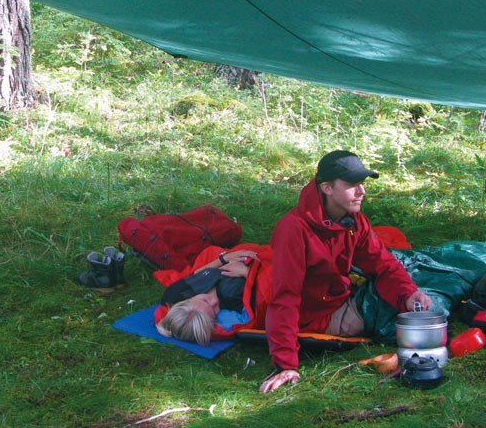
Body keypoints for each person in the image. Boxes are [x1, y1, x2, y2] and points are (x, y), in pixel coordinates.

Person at [259, 150, 432, 394]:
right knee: (389, 309)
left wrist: (408, 294)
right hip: (319, 317)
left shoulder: (354, 221)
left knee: (415, 285)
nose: (361, 191)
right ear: (327, 188)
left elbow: (382, 264)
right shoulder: (294, 229)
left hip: (340, 298)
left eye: (362, 183)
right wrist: (286, 364)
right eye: (352, 184)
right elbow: (285, 298)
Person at [155, 247, 260, 345]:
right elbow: (263, 292)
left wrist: (224, 258)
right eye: (214, 310)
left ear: (188, 299)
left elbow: (197, 275)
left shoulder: (173, 295)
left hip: (227, 256)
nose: (214, 301)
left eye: (205, 300)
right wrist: (247, 272)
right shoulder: (231, 296)